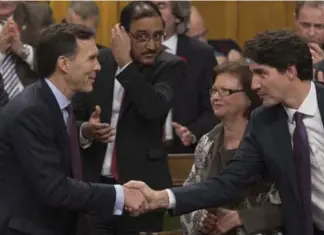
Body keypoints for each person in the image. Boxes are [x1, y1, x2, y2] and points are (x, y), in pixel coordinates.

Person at [125, 29, 324, 235]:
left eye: (261, 73)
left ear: (290, 71)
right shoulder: (264, 122)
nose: (255, 84)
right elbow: (228, 182)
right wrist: (161, 198)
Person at [0, 23, 146, 235]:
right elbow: (54, 189)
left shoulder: (54, 104)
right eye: (91, 58)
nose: (98, 67)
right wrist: (120, 195)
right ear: (64, 64)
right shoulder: (31, 111)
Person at [72, 1, 185, 235]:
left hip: (141, 190)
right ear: (122, 34)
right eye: (142, 36)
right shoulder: (98, 63)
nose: (152, 45)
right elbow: (69, 118)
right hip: (95, 187)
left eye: (158, 36)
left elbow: (153, 108)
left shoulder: (169, 66)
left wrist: (126, 64)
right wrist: (86, 130)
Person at [180, 60, 281, 235]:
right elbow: (189, 192)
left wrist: (243, 218)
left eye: (225, 91)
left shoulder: (270, 142)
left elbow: (286, 203)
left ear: (249, 97)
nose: (215, 97)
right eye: (214, 91)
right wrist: (200, 217)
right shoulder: (207, 142)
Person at [152, 0, 218, 153]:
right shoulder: (128, 53)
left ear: (178, 15)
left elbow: (213, 109)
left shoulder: (202, 55)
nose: (152, 11)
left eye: (161, 6)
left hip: (184, 152)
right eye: (147, 5)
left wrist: (193, 133)